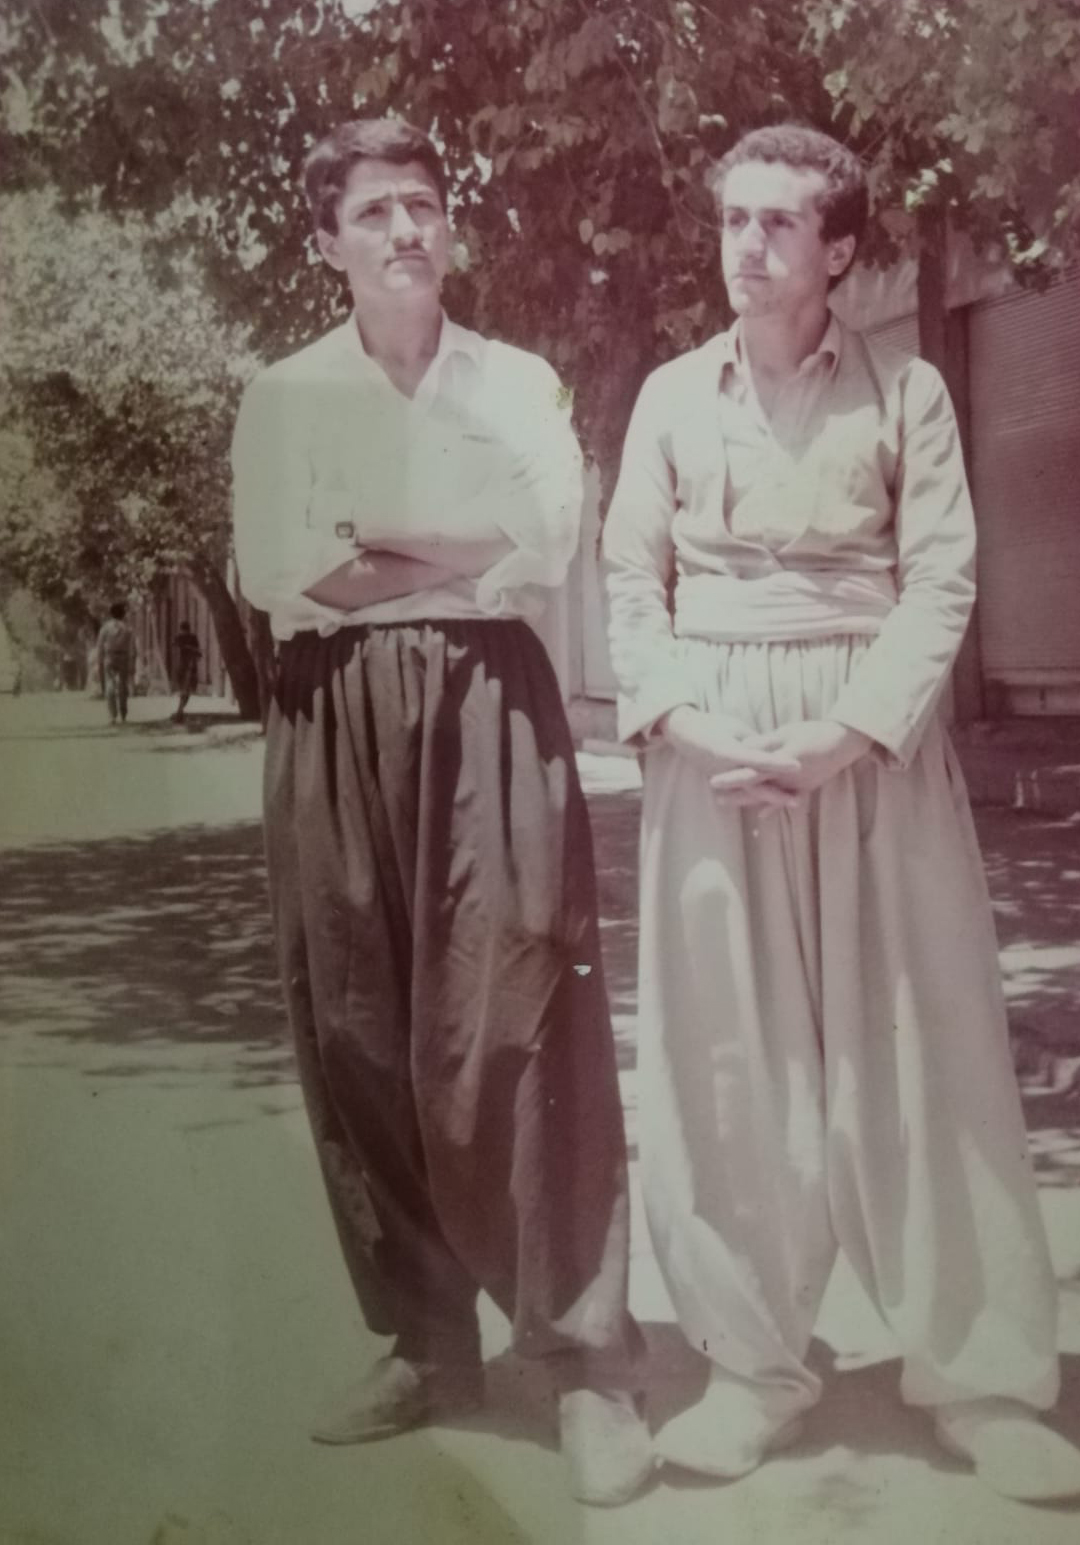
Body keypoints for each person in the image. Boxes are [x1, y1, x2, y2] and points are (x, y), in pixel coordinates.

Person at [602, 123, 1080, 1503]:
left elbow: (943, 582)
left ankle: (980, 1377)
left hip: (868, 752)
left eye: (779, 224)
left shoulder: (909, 394)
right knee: (728, 1058)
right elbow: (631, 585)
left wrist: (846, 733)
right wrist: (687, 724)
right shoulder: (668, 400)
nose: (747, 247)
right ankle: (753, 1369)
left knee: (923, 1050)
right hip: (713, 751)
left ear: (840, 251)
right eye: (733, 220)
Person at [231, 118, 652, 1507]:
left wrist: (371, 537)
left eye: (424, 204)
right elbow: (276, 570)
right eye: (375, 211)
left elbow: (545, 538)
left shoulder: (515, 380)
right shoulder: (284, 396)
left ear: (450, 228)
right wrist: (452, 541)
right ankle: (427, 1342)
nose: (407, 229)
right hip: (332, 716)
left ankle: (582, 1357)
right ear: (327, 242)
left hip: (490, 706)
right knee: (356, 1023)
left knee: (523, 1007)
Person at [96, 602, 135, 726]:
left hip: (110, 656)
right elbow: (132, 648)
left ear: (111, 614)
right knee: (123, 685)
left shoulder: (105, 628)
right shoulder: (127, 628)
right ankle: (123, 713)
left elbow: (100, 645)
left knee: (110, 684)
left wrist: (99, 660)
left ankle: (112, 715)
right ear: (123, 614)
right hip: (123, 657)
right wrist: (132, 662)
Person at [171, 620, 202, 723]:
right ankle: (180, 711)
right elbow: (174, 645)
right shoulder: (182, 638)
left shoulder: (189, 638)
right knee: (185, 691)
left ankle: (180, 711)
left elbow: (198, 652)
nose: (184, 633)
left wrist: (190, 649)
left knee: (185, 691)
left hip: (187, 667)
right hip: (185, 667)